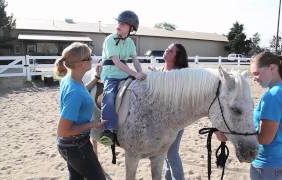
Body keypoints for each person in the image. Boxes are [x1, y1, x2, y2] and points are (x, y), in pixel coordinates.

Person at [215, 51, 282, 180]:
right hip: (274, 161)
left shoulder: (273, 96)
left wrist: (229, 136)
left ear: (272, 68)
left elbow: (265, 138)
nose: (254, 78)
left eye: (257, 73)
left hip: (267, 165)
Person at [55, 42, 106, 180]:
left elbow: (83, 91)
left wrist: (96, 78)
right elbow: (63, 131)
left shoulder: (70, 79)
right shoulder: (74, 92)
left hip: (71, 145)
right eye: (89, 57)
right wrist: (93, 124)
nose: (92, 60)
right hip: (75, 146)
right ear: (80, 64)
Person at [98, 10, 147, 146]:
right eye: (119, 22)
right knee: (108, 96)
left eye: (124, 23)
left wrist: (140, 74)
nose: (119, 25)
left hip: (125, 74)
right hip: (111, 74)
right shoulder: (110, 40)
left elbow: (135, 60)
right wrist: (134, 74)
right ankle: (108, 129)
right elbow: (117, 62)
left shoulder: (131, 42)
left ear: (131, 28)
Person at [150, 43, 188, 180]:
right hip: (160, 121)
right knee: (164, 154)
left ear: (177, 57)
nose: (167, 50)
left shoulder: (178, 75)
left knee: (171, 154)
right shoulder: (160, 70)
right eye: (167, 48)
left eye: (171, 51)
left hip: (174, 122)